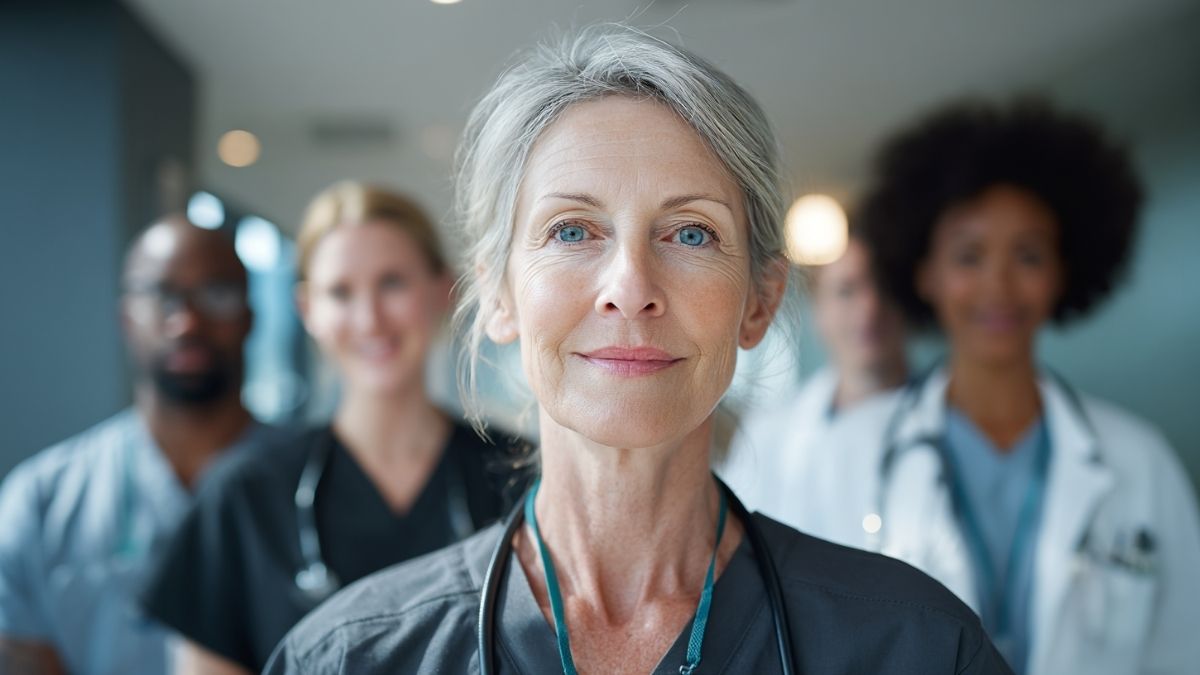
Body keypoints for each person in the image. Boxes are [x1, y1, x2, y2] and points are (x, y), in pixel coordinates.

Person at [264, 26, 1011, 675]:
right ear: (497, 294)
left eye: (690, 233)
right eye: (572, 230)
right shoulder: (347, 656)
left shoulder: (914, 645)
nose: (630, 287)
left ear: (761, 299)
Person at [783, 99, 1200, 675]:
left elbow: (1181, 652)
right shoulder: (846, 455)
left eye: (1027, 255)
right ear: (923, 271)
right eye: (969, 255)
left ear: (1063, 269)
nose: (998, 285)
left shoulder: (1141, 462)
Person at [140, 182, 525, 674]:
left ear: (441, 290)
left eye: (392, 283)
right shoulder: (244, 494)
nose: (369, 319)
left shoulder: (522, 475)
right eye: (340, 292)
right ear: (308, 311)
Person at [0, 217, 276, 674]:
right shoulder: (40, 498)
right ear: (127, 317)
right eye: (162, 295)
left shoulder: (311, 482)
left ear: (249, 315)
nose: (186, 321)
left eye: (217, 294)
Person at [718, 226, 908, 521]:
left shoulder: (944, 424)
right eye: (846, 291)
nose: (869, 308)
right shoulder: (769, 434)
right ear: (818, 308)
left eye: (884, 288)